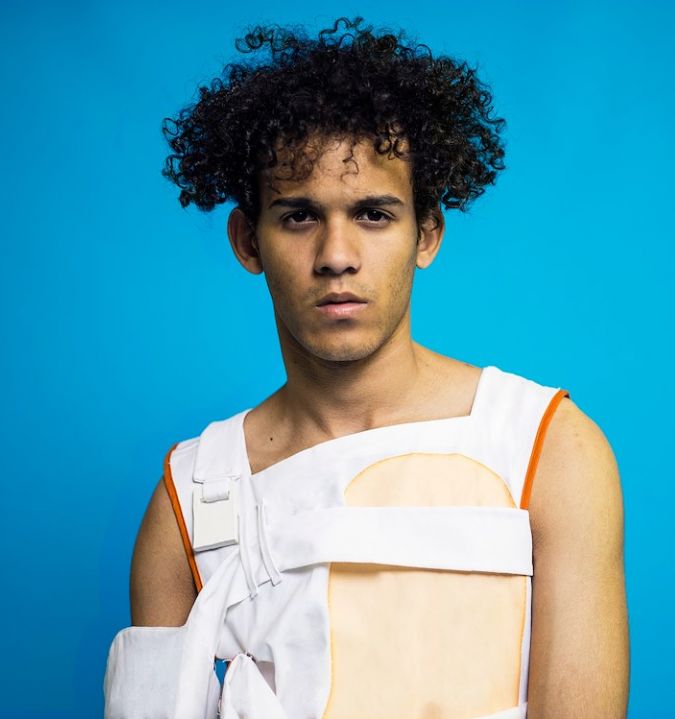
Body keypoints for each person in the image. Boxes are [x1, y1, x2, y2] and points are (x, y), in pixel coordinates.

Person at [108, 16, 629, 719]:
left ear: (427, 233)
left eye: (374, 214)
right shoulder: (195, 492)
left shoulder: (549, 448)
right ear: (247, 240)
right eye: (299, 216)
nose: (337, 256)